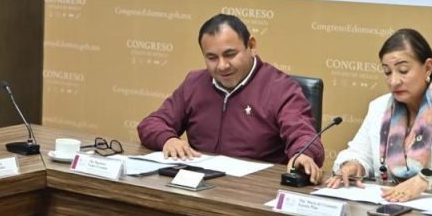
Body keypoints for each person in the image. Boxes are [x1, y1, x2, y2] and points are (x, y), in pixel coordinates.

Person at [138, 14, 324, 182]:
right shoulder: (195, 83)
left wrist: (303, 154)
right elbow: (151, 123)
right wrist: (168, 140)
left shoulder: (280, 88)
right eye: (212, 58)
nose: (222, 66)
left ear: (251, 46)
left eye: (230, 54)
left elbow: (303, 135)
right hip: (199, 187)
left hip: (255, 191)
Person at [326, 29, 432, 201]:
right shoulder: (379, 107)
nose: (394, 81)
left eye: (403, 70)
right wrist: (353, 165)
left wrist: (425, 180)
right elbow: (359, 153)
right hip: (392, 204)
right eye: (387, 72)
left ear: (428, 68)